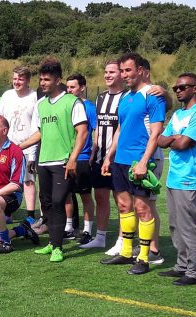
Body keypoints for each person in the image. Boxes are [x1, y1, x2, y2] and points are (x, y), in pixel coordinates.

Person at [101, 53, 166, 275]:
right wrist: (109, 156)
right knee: (123, 207)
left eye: (128, 70)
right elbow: (120, 129)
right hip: (120, 160)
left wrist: (144, 162)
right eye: (122, 71)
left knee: (142, 208)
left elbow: (157, 130)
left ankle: (145, 258)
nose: (124, 75)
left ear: (140, 70)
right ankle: (126, 252)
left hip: (140, 161)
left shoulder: (152, 95)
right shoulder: (126, 97)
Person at [21, 58, 88, 262]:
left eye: (47, 79)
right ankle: (52, 242)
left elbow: (82, 132)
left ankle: (58, 247)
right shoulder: (41, 105)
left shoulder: (72, 102)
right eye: (41, 79)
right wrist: (19, 146)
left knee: (59, 202)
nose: (42, 83)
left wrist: (73, 159)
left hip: (63, 162)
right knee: (47, 203)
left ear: (58, 80)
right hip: (44, 161)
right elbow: (40, 133)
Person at [157, 72, 196, 286]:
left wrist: (175, 139)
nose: (178, 91)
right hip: (173, 177)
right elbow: (160, 139)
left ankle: (194, 272)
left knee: (188, 227)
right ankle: (181, 265)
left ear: (195, 88)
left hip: (189, 177)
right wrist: (174, 138)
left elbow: (184, 144)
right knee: (175, 226)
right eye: (176, 88)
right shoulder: (178, 115)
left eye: (183, 87)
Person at [80, 60, 125, 250]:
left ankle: (123, 240)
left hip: (118, 158)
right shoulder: (100, 98)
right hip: (100, 157)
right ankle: (100, 237)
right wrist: (94, 149)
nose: (107, 75)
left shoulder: (127, 97)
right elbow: (98, 127)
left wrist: (110, 155)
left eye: (112, 72)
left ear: (121, 74)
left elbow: (121, 128)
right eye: (106, 72)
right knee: (100, 197)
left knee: (122, 201)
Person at [0, 116, 38, 254]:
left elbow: (15, 185)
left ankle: (6, 242)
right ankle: (23, 229)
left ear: (4, 131)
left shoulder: (15, 151)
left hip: (11, 197)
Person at [0, 66, 39, 225]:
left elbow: (36, 125)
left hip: (27, 147)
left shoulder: (35, 97)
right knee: (6, 182)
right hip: (7, 147)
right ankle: (8, 212)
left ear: (28, 80)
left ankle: (30, 214)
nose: (17, 82)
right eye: (15, 78)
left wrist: (32, 152)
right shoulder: (7, 96)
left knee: (28, 181)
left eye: (20, 79)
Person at [64, 73, 97, 245]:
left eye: (72, 87)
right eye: (67, 87)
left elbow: (94, 130)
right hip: (65, 157)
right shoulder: (66, 105)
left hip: (83, 157)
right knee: (67, 194)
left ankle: (87, 230)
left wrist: (93, 152)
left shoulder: (89, 107)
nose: (69, 90)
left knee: (85, 194)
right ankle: (69, 227)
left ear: (82, 88)